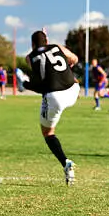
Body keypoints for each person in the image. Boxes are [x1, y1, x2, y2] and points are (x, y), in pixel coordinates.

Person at [21, 31, 80, 186]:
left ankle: (66, 163)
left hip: (56, 97)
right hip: (73, 90)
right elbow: (74, 59)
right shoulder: (57, 47)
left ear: (32, 44)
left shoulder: (30, 57)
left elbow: (39, 85)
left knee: (48, 132)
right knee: (64, 79)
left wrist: (25, 85)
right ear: (47, 41)